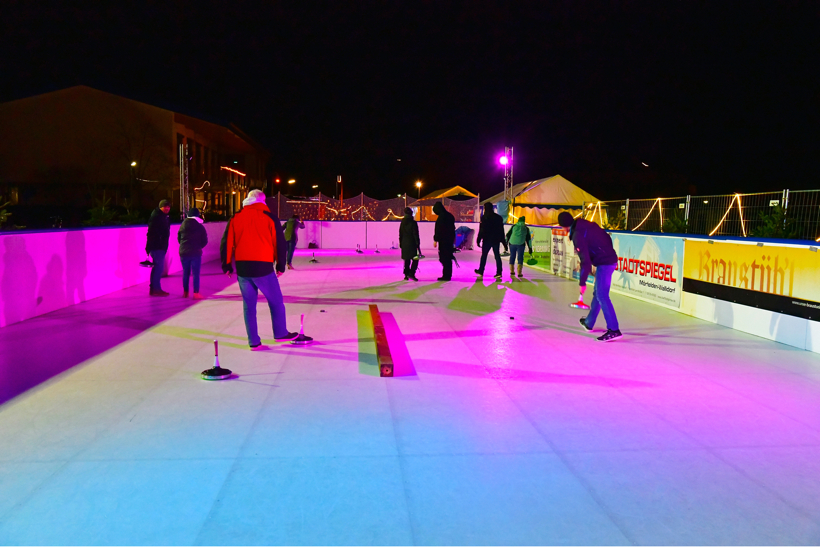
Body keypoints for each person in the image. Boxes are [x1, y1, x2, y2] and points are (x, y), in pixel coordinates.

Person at [221, 189, 310, 349]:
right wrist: (281, 264)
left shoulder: (235, 217)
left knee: (249, 306)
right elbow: (279, 243)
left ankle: (253, 341)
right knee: (275, 301)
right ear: (262, 201)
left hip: (242, 268)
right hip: (263, 267)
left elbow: (226, 241)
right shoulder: (269, 217)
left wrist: (227, 264)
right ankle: (280, 333)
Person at [557, 211, 622, 342]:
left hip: (605, 262)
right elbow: (606, 236)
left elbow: (585, 261)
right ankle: (589, 322)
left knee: (602, 295)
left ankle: (614, 329)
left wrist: (582, 283)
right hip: (607, 259)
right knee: (598, 293)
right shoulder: (583, 224)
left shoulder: (577, 235)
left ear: (564, 227)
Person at [178, 207, 208, 299]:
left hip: (183, 252)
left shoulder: (182, 225)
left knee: (185, 273)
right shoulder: (200, 226)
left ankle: (185, 292)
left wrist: (184, 246)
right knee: (195, 273)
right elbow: (205, 240)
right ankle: (196, 293)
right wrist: (199, 246)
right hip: (195, 252)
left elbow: (179, 239)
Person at [146, 199, 171, 296]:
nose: (167, 208)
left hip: (159, 246)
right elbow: (151, 233)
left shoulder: (164, 217)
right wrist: (151, 245)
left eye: (168, 206)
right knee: (158, 268)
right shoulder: (157, 217)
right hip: (157, 246)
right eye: (165, 206)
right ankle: (155, 289)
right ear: (160, 207)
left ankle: (154, 288)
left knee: (157, 267)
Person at [474, 203, 507, 279]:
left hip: (487, 240)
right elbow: (501, 230)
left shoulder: (484, 217)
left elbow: (482, 230)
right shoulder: (498, 218)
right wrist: (503, 242)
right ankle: (499, 272)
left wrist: (478, 239)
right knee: (497, 256)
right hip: (496, 240)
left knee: (484, 256)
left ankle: (481, 270)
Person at [432, 201, 455, 281]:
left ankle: (446, 275)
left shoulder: (441, 217)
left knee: (444, 258)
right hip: (450, 240)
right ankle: (448, 274)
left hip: (443, 241)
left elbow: (439, 230)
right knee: (448, 257)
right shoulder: (450, 216)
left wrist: (436, 239)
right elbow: (452, 229)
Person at [399, 207, 420, 281]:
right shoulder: (413, 222)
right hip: (412, 243)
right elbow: (415, 234)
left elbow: (400, 234)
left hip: (404, 243)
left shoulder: (403, 222)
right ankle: (412, 273)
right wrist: (418, 244)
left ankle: (406, 274)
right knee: (415, 259)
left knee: (407, 259)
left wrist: (401, 243)